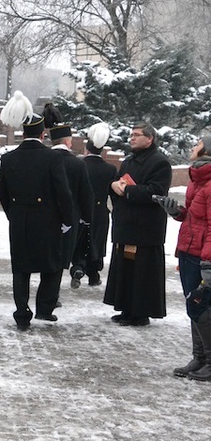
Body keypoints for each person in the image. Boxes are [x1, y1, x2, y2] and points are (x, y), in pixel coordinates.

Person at [0, 91, 74, 330]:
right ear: (43, 134)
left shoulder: (8, 159)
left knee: (21, 269)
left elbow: (3, 194)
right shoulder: (53, 158)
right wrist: (67, 219)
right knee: (50, 266)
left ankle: (22, 313)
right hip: (48, 220)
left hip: (20, 219)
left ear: (23, 133)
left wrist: (15, 214)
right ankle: (44, 309)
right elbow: (63, 192)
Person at [104, 122, 172, 326]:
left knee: (141, 272)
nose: (132, 138)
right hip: (126, 225)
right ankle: (126, 308)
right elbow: (118, 181)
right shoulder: (129, 161)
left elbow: (156, 191)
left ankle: (140, 313)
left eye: (137, 135)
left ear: (149, 139)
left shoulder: (160, 163)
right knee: (125, 269)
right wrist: (113, 185)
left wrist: (127, 191)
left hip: (145, 229)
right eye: (131, 134)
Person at [155, 136, 211, 380]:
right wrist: (176, 211)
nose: (192, 147)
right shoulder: (197, 180)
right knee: (193, 307)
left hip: (202, 257)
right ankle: (199, 358)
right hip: (188, 252)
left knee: (202, 308)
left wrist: (208, 263)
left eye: (197, 144)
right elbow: (194, 218)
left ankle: (209, 361)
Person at [48, 123, 94, 292]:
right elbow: (86, 194)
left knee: (47, 255)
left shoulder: (44, 160)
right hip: (70, 217)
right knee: (62, 256)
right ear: (68, 142)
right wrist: (87, 217)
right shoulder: (78, 164)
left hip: (44, 215)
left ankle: (47, 293)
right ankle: (52, 294)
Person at [71, 122, 117, 287]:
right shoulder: (110, 169)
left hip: (80, 210)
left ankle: (77, 266)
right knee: (96, 241)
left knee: (79, 239)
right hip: (100, 211)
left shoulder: (78, 165)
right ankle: (94, 273)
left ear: (86, 150)